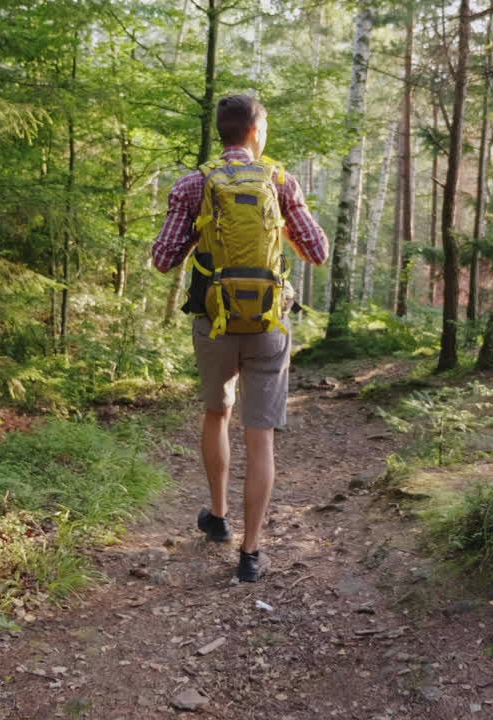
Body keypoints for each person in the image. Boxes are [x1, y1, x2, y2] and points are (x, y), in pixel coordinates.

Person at [152, 95, 328, 582]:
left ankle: (219, 518)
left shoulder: (194, 184)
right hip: (269, 324)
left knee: (216, 413)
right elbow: (318, 250)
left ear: (221, 132)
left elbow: (164, 258)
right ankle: (250, 555)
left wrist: (200, 235)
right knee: (261, 435)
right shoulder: (280, 181)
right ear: (255, 132)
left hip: (214, 321)